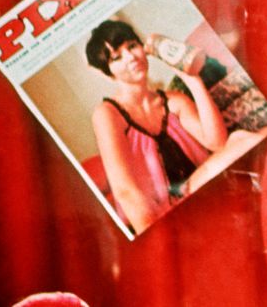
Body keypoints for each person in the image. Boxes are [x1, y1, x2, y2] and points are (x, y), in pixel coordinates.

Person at [86, 19, 227, 233]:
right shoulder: (108, 114)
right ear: (108, 71)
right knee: (246, 138)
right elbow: (125, 191)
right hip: (164, 213)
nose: (131, 57)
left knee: (244, 138)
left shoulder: (173, 100)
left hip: (204, 188)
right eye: (117, 57)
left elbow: (218, 143)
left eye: (132, 46)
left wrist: (193, 81)